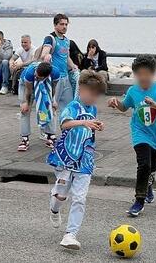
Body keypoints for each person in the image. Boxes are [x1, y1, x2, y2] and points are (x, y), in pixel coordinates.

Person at [47, 70, 107, 250]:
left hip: (85, 160)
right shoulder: (73, 106)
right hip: (66, 158)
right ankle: (54, 209)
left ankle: (70, 235)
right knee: (61, 196)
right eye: (91, 93)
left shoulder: (93, 109)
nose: (93, 98)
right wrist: (83, 123)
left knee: (80, 198)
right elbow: (64, 124)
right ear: (81, 89)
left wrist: (97, 125)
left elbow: (90, 126)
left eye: (97, 95)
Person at [107, 55, 156, 217]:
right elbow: (125, 107)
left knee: (152, 166)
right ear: (135, 75)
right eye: (139, 74)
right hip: (139, 133)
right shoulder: (133, 91)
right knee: (144, 164)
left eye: (147, 74)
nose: (143, 78)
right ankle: (139, 200)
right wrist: (116, 103)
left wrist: (154, 104)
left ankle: (148, 185)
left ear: (153, 74)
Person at [40, 14, 79, 115]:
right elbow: (44, 54)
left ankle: (66, 129)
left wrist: (73, 66)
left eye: (66, 24)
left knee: (69, 107)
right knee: (51, 106)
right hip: (54, 78)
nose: (64, 27)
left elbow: (66, 57)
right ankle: (47, 129)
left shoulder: (66, 41)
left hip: (65, 78)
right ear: (55, 25)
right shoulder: (50, 38)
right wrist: (46, 56)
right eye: (61, 24)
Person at [18, 62, 60, 151]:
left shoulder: (55, 73)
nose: (36, 76)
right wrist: (26, 103)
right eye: (36, 75)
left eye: (38, 77)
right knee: (25, 111)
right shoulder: (30, 73)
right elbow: (29, 91)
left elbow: (53, 87)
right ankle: (24, 138)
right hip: (26, 85)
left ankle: (50, 135)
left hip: (45, 84)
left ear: (46, 76)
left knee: (50, 108)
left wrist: (53, 100)